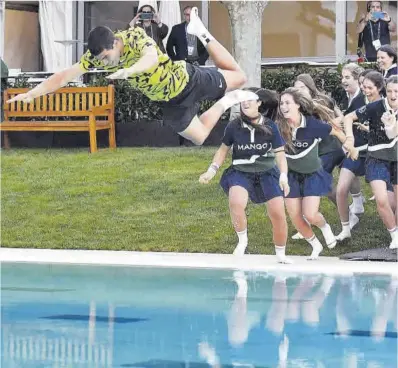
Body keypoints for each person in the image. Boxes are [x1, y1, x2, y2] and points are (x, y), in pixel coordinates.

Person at [7, 7, 256, 146]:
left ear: (116, 42)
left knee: (240, 76)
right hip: (169, 103)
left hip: (186, 80)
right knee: (200, 138)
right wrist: (31, 93)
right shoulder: (94, 56)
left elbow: (150, 58)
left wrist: (130, 70)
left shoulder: (134, 36)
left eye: (107, 56)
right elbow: (62, 76)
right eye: (101, 59)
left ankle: (201, 32)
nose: (104, 62)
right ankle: (226, 101)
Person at [199, 88, 292, 264]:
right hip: (241, 172)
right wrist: (212, 170)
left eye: (250, 99)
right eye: (243, 100)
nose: (246, 103)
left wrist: (283, 176)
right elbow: (223, 150)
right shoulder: (234, 126)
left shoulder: (270, 126)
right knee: (236, 201)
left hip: (267, 173)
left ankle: (281, 253)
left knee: (278, 213)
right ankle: (242, 241)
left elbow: (280, 153)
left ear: (259, 103)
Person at [277, 88, 357, 259]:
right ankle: (315, 245)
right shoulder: (279, 127)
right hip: (291, 176)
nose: (283, 106)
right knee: (295, 216)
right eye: (281, 103)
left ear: (298, 105)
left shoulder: (313, 125)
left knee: (310, 214)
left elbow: (336, 130)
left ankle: (325, 227)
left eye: (287, 103)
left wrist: (349, 144)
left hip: (312, 175)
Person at [344, 75, 398, 249]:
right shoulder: (375, 107)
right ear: (385, 91)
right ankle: (394, 235)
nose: (393, 94)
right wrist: (350, 139)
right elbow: (348, 118)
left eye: (396, 91)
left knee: (394, 204)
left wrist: (391, 126)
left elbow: (392, 134)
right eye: (389, 91)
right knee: (382, 200)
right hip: (376, 158)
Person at [336, 71, 386, 241]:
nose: (365, 90)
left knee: (386, 197)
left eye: (369, 88)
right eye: (363, 86)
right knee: (341, 189)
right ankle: (345, 228)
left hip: (378, 154)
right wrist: (349, 140)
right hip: (356, 150)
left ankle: (391, 228)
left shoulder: (386, 104)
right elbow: (346, 118)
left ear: (379, 88)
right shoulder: (358, 101)